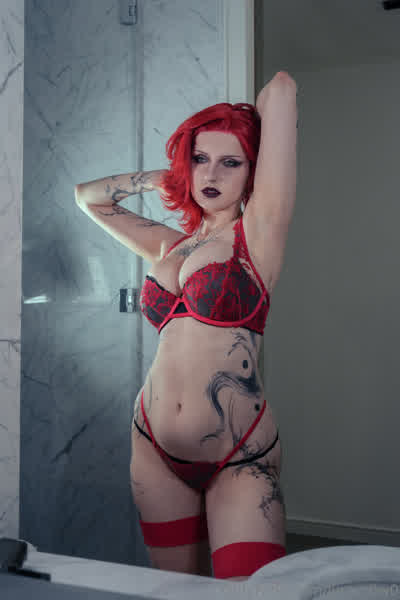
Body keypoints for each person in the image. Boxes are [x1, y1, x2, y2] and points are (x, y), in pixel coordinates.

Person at [75, 72, 297, 581]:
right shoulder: (168, 246)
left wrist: (242, 128)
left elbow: (282, 88)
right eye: (201, 158)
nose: (212, 172)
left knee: (250, 594)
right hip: (152, 445)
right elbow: (88, 197)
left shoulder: (258, 235)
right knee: (173, 592)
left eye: (231, 162)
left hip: (239, 452)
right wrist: (169, 174)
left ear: (254, 172)